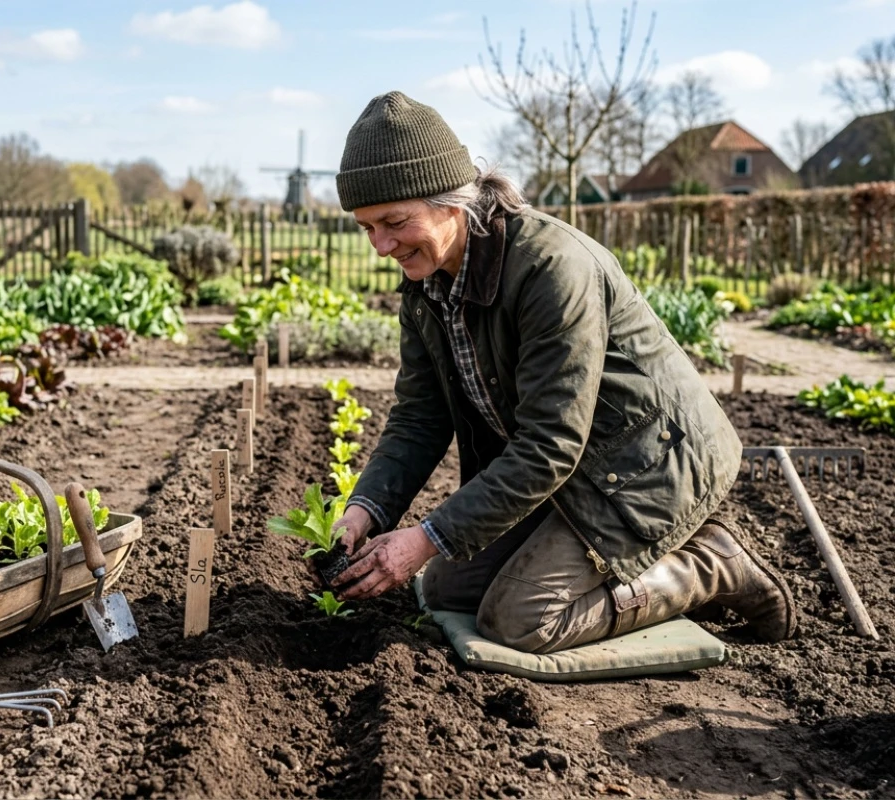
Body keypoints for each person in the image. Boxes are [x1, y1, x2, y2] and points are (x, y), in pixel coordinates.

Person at [327, 91, 796, 654]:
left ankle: (710, 564)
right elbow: (418, 418)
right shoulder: (426, 287)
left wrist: (428, 537)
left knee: (520, 621)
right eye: (367, 228)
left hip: (649, 464)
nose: (381, 246)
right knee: (449, 589)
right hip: (569, 471)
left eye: (395, 222)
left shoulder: (550, 269)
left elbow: (551, 443)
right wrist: (366, 511)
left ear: (451, 200)